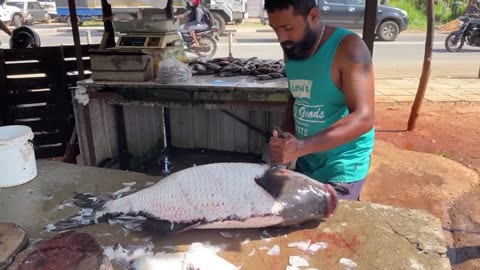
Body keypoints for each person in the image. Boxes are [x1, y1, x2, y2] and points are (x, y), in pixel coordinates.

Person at [264, 0, 375, 201]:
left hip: (343, 166)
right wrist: (286, 138)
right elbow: (296, 96)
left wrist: (302, 146)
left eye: (288, 28)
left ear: (313, 15)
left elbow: (364, 117)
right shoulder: (293, 47)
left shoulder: (349, 48)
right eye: (275, 29)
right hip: (308, 161)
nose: (281, 38)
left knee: (329, 226)